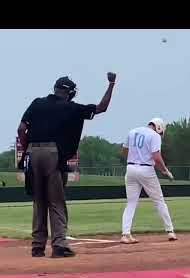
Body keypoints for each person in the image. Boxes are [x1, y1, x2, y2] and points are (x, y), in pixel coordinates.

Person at [17, 73, 116, 258]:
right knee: (56, 201)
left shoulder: (37, 103)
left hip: (32, 152)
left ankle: (37, 247)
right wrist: (111, 84)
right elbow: (101, 108)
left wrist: (27, 149)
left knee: (39, 201)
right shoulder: (71, 107)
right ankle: (59, 245)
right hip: (53, 153)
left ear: (55, 89)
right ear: (69, 93)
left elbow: (22, 129)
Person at [120, 118, 177, 244]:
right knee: (159, 200)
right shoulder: (154, 136)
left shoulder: (132, 131)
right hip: (146, 169)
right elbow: (156, 157)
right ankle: (170, 231)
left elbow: (124, 152)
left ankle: (125, 234)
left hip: (130, 168)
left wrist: (135, 156)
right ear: (159, 128)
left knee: (131, 203)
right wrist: (165, 171)